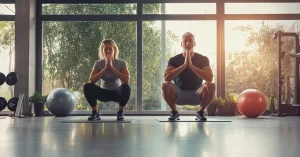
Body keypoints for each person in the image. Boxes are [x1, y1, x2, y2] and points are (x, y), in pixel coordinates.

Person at [162, 32, 215, 121]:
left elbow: (209, 77)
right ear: (181, 44)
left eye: (190, 41)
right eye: (185, 41)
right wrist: (184, 65)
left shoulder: (203, 59)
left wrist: (191, 66)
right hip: (178, 94)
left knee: (211, 85)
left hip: (197, 93)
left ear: (194, 44)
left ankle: (200, 112)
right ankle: (174, 112)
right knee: (165, 85)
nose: (188, 43)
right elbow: (167, 77)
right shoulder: (174, 59)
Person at [84, 39, 131, 121]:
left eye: (110, 49)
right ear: (102, 51)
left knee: (126, 88)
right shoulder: (98, 63)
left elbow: (126, 80)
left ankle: (120, 111)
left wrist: (111, 67)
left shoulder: (122, 63)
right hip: (103, 93)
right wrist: (105, 68)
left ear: (114, 50)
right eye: (105, 49)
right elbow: (91, 80)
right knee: (87, 86)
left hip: (117, 92)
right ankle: (95, 112)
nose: (108, 51)